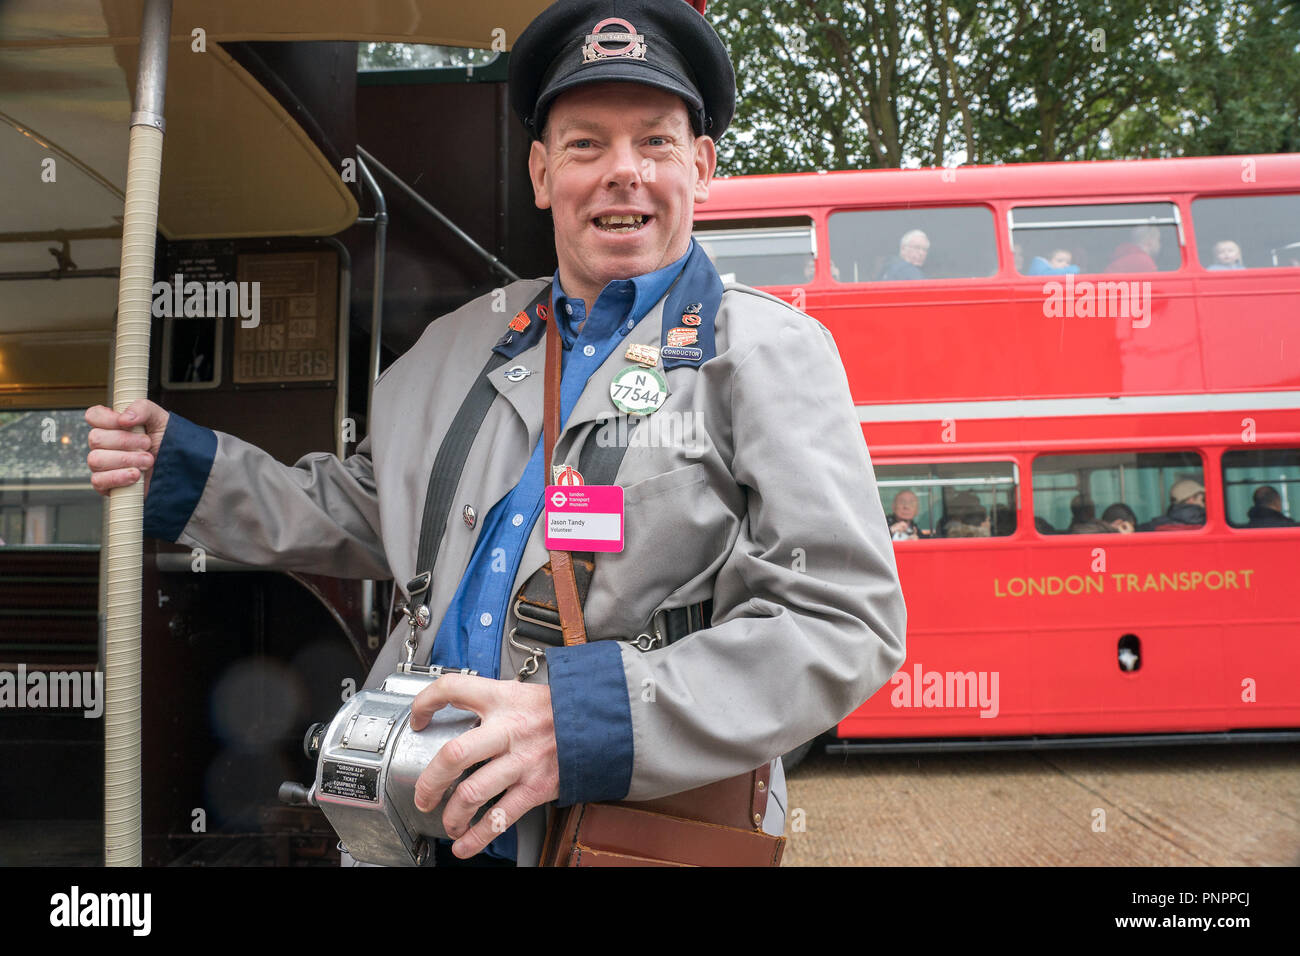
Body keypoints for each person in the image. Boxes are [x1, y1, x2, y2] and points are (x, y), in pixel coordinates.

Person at [84, 0, 906, 867]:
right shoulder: (457, 345)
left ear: (700, 169)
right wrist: (179, 464)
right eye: (586, 144)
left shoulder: (770, 354)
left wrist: (579, 724)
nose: (623, 172)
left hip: (623, 834)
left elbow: (841, 620)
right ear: (544, 174)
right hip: (419, 820)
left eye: (656, 143)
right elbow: (364, 510)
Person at [1139, 479, 1206, 531]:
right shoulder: (1208, 522)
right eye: (1203, 498)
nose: (1205, 503)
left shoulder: (1153, 526)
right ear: (1191, 499)